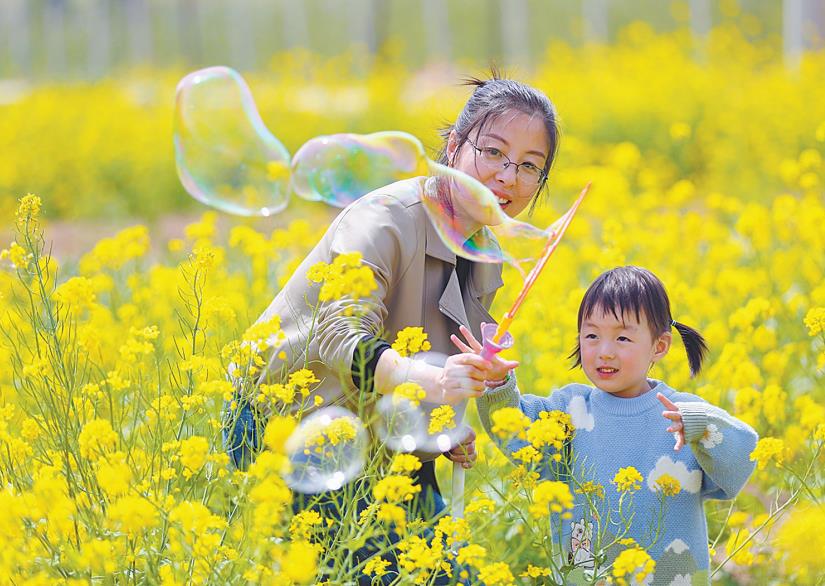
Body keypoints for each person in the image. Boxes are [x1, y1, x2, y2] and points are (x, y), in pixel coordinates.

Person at [223, 73, 560, 583]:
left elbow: (436, 363)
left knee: (447, 574)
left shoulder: (484, 257)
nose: (508, 177)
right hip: (288, 421)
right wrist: (434, 383)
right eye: (493, 152)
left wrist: (443, 428)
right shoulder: (384, 219)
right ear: (454, 146)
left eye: (530, 166)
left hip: (380, 442)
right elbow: (341, 338)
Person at [467, 266, 758, 584]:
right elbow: (516, 431)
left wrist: (702, 427)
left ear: (659, 346)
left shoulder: (681, 413)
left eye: (622, 338)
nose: (605, 352)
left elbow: (739, 463)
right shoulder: (570, 411)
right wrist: (498, 382)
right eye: (592, 336)